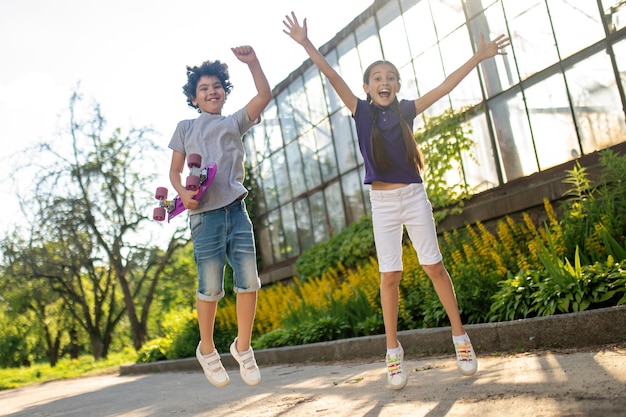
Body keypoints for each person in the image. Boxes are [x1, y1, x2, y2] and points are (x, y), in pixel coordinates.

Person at [282, 12, 510, 390]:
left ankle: (461, 339)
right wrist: (306, 44)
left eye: (390, 77)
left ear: (397, 85)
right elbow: (331, 76)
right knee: (390, 276)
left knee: (434, 266)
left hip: (413, 196)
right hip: (382, 203)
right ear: (368, 87)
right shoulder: (361, 112)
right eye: (377, 78)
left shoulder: (405, 111)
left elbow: (445, 87)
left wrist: (478, 56)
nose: (384, 82)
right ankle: (392, 352)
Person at [168, 45, 271, 388]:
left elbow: (264, 94)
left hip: (236, 211)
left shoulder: (235, 121)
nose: (211, 91)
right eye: (203, 88)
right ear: (194, 98)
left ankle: (243, 347)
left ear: (224, 92)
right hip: (205, 217)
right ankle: (208, 349)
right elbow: (175, 172)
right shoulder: (185, 127)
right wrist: (183, 194)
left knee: (249, 281)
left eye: (216, 86)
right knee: (210, 286)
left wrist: (253, 63)